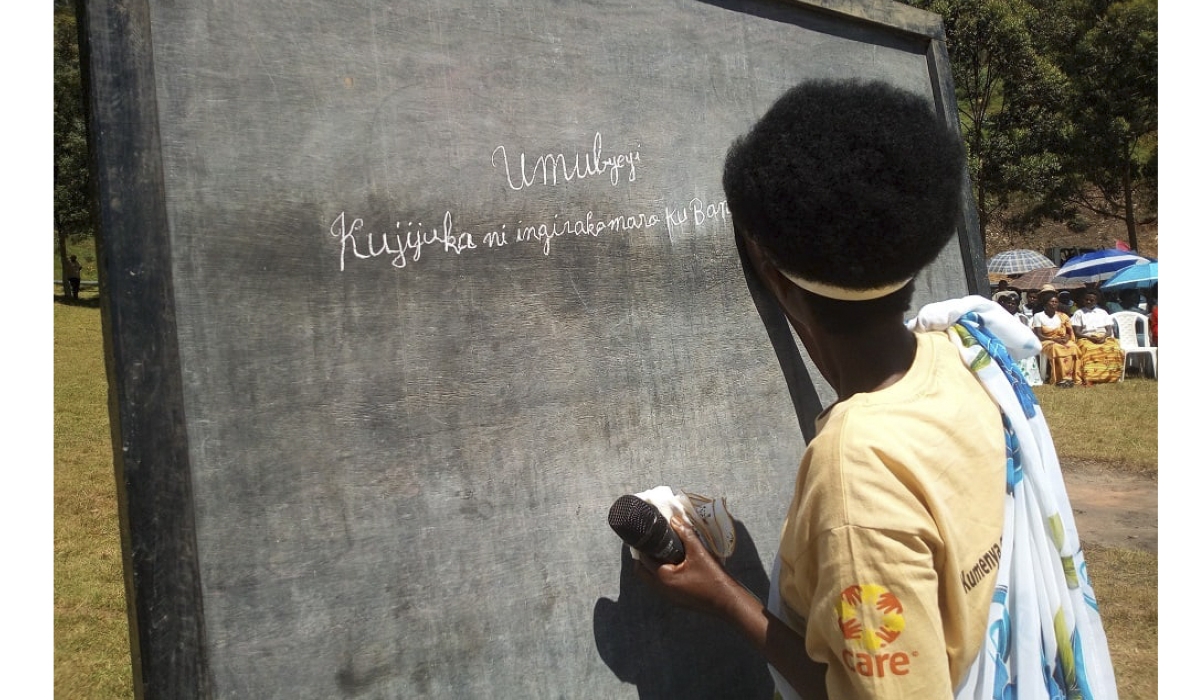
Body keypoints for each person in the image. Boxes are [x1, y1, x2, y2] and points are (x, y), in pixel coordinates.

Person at [633, 79, 1116, 700]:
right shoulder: (960, 354)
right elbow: (850, 353)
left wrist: (727, 599)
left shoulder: (856, 474)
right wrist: (786, 281)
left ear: (779, 284)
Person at [1071, 289, 1125, 384]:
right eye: (1086, 299)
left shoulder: (1102, 312)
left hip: (1103, 336)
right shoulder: (1079, 313)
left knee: (1114, 348)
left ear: (1096, 301)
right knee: (1089, 349)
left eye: (1091, 300)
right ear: (1083, 300)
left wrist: (1103, 337)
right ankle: (1091, 377)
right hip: (1085, 338)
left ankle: (1111, 376)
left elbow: (1109, 330)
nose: (1088, 302)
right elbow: (1077, 332)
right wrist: (1090, 338)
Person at [1031, 292, 1080, 387]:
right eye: (1052, 301)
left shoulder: (1061, 316)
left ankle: (1071, 378)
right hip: (1045, 341)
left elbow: (1068, 332)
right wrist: (1054, 339)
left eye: (1056, 302)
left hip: (1060, 340)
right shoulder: (1038, 316)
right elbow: (1039, 334)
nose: (1054, 303)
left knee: (1073, 347)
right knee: (1057, 348)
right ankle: (1060, 378)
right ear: (1045, 304)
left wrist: (1066, 338)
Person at [996, 290, 1043, 386]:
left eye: (1013, 303)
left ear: (1017, 305)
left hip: (1020, 343)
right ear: (1004, 304)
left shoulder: (1022, 318)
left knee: (1028, 352)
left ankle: (1028, 379)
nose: (1010, 305)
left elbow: (1027, 333)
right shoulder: (999, 317)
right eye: (1008, 303)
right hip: (1004, 343)